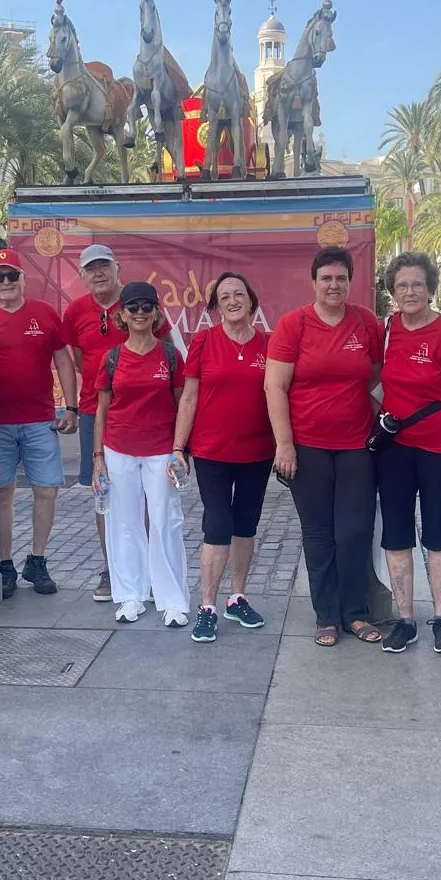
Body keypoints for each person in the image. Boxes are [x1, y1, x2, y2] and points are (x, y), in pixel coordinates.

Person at [265, 246, 382, 647]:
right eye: (326, 278)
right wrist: (284, 445)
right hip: (307, 446)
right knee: (319, 534)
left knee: (354, 531)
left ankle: (355, 613)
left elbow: (378, 374)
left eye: (341, 278)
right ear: (313, 282)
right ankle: (326, 616)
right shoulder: (293, 325)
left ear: (350, 282)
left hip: (356, 445)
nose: (334, 285)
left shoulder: (366, 322)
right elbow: (274, 386)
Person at [62, 244, 178, 604]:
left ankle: (148, 569)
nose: (98, 274)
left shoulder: (139, 303)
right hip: (96, 411)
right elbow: (81, 362)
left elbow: (169, 354)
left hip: (148, 419)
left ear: (118, 269)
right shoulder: (75, 312)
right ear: (82, 275)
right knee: (106, 495)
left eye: (104, 267)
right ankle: (113, 568)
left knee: (149, 498)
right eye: (91, 268)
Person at [374, 253, 441, 655]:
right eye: (401, 286)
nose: (409, 292)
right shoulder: (386, 330)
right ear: (392, 291)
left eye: (416, 284)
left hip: (438, 451)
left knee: (439, 537)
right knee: (396, 536)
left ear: (430, 288)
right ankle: (405, 618)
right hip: (395, 451)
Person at [0, 248, 78, 598]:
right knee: (1, 495)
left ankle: (38, 560)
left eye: (11, 275)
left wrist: (71, 406)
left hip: (39, 418)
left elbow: (63, 359)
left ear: (23, 279)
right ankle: (5, 564)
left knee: (47, 490)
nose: (5, 283)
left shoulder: (44, 314)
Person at [171, 272, 273, 642]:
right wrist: (179, 448)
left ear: (251, 301)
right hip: (212, 451)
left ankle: (237, 597)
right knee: (217, 525)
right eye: (224, 296)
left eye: (239, 294)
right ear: (215, 307)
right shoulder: (204, 341)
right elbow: (189, 397)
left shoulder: (269, 344)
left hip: (258, 451)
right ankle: (208, 606)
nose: (233, 300)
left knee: (246, 525)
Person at [94, 280, 191, 626]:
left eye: (146, 307)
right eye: (132, 307)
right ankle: (130, 595)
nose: (139, 313)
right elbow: (102, 410)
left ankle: (173, 599)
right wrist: (97, 459)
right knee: (124, 522)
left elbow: (183, 404)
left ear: (155, 313)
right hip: (118, 448)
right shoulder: (112, 357)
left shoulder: (170, 355)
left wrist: (182, 450)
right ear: (121, 313)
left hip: (161, 450)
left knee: (166, 521)